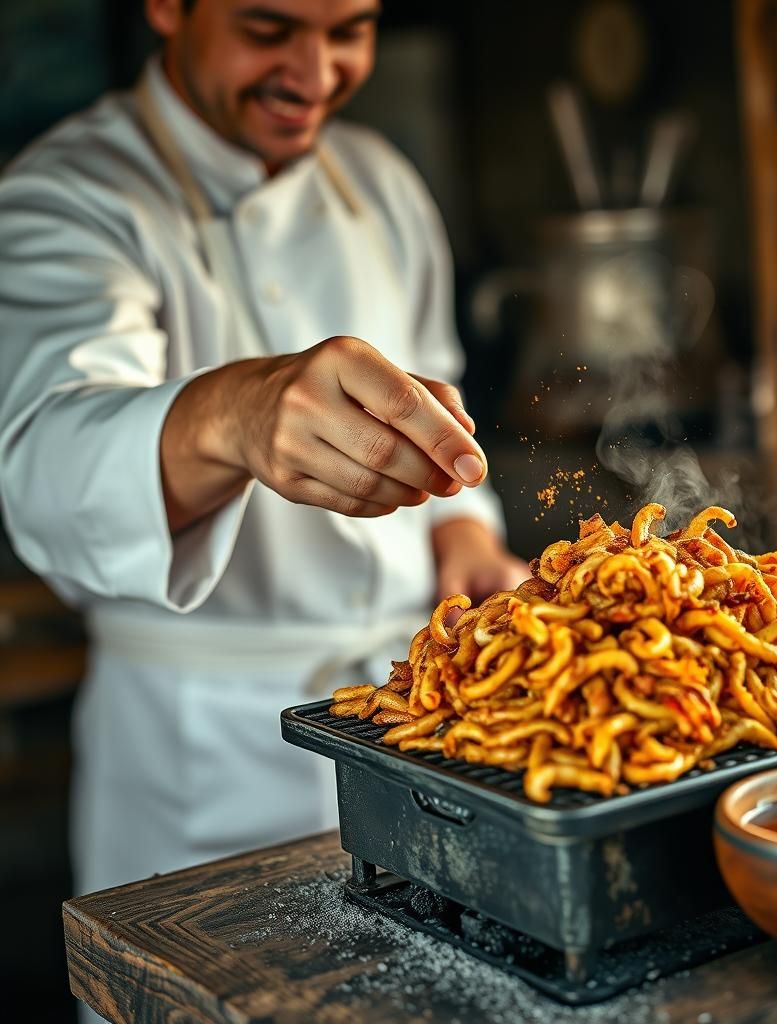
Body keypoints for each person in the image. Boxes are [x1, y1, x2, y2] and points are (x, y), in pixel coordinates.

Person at [0, 0, 528, 909]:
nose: (316, 74)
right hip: (199, 763)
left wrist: (465, 540)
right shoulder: (67, 195)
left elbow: (435, 399)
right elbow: (45, 469)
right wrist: (233, 414)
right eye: (269, 29)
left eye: (350, 30)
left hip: (414, 737)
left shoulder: (380, 183)